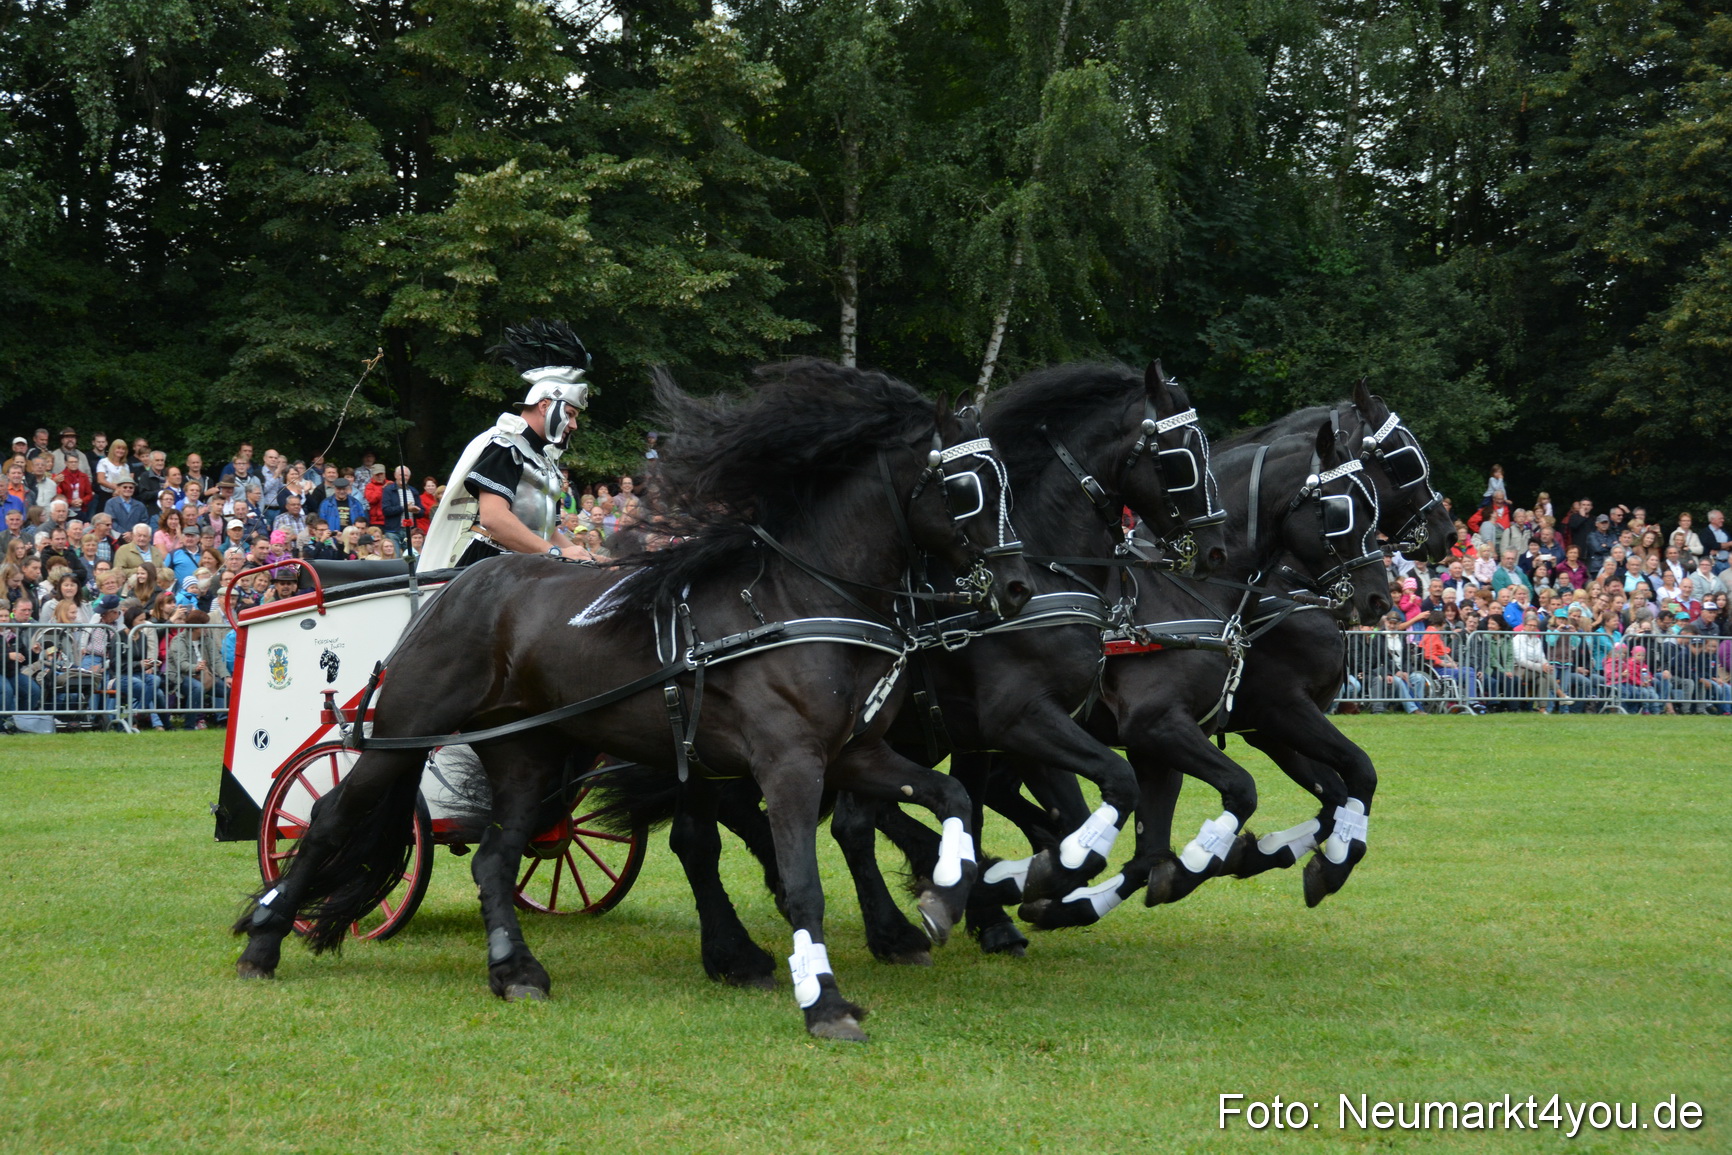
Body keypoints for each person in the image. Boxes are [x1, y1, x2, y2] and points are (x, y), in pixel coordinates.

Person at [422, 320, 593, 569]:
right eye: (570, 413)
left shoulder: (546, 462)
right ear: (545, 406)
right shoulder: (506, 446)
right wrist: (555, 553)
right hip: (489, 563)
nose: (573, 425)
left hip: (529, 562)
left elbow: (547, 532)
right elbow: (494, 519)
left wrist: (586, 556)